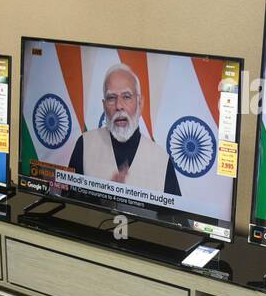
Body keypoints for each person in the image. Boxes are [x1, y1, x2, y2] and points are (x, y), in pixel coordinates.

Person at [68, 63, 181, 196]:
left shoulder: (162, 160)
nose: (119, 106)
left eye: (126, 96)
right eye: (111, 98)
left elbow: (173, 216)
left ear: (140, 103)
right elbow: (68, 200)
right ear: (104, 106)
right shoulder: (84, 144)